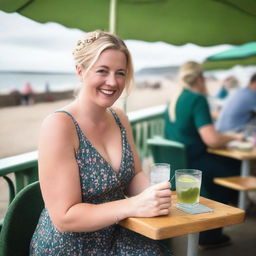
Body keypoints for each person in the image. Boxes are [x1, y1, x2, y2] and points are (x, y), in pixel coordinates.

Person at [29, 30, 172, 255]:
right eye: (102, 71)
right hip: (71, 246)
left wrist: (157, 195)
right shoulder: (59, 125)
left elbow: (133, 176)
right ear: (80, 71)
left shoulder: (120, 117)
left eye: (120, 73)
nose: (113, 82)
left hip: (116, 234)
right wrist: (134, 205)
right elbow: (65, 217)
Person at [164, 61, 244, 249]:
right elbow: (212, 140)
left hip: (176, 167)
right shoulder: (197, 99)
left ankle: (211, 228)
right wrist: (233, 136)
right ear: (200, 79)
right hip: (194, 166)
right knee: (233, 171)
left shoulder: (174, 100)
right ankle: (210, 235)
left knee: (221, 169)